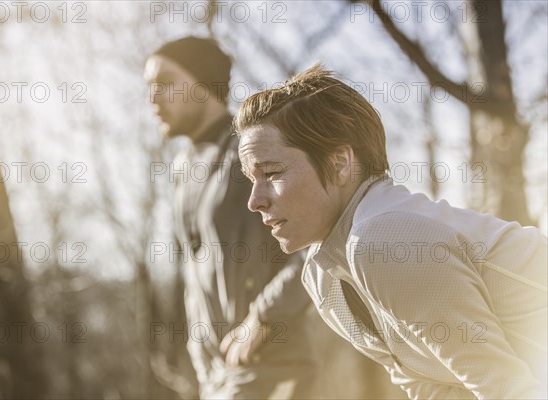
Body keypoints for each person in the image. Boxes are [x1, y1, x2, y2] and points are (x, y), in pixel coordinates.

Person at [235, 64, 548, 399]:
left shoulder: (384, 238)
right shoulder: (322, 277)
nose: (255, 201)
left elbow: (508, 389)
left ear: (341, 164)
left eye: (272, 173)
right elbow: (432, 389)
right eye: (251, 180)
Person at [143, 36, 319, 399]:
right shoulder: (181, 167)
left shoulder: (252, 149)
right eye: (149, 87)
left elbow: (315, 243)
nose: (153, 98)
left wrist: (263, 317)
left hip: (272, 365)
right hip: (217, 376)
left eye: (165, 83)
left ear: (203, 83)